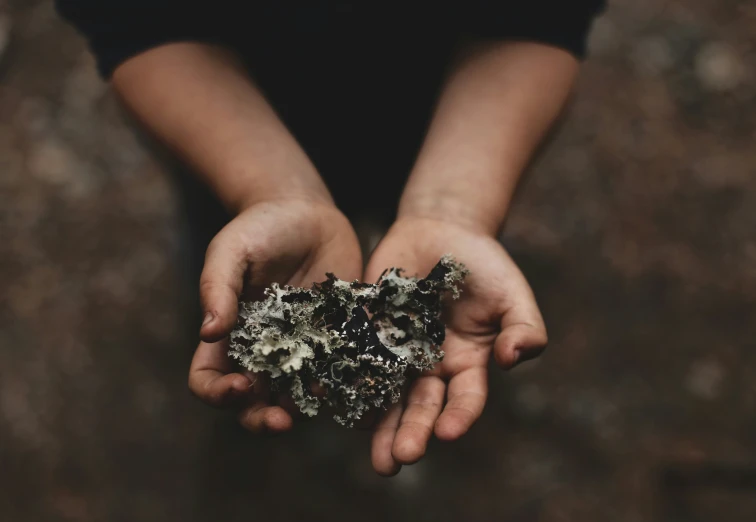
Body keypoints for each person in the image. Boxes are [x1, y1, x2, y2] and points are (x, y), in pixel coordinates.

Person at [56, 1, 606, 476]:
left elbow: (542, 15)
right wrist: (270, 188)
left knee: (443, 274)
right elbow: (135, 20)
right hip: (229, 132)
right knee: (226, 268)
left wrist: (455, 206)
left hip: (453, 123)